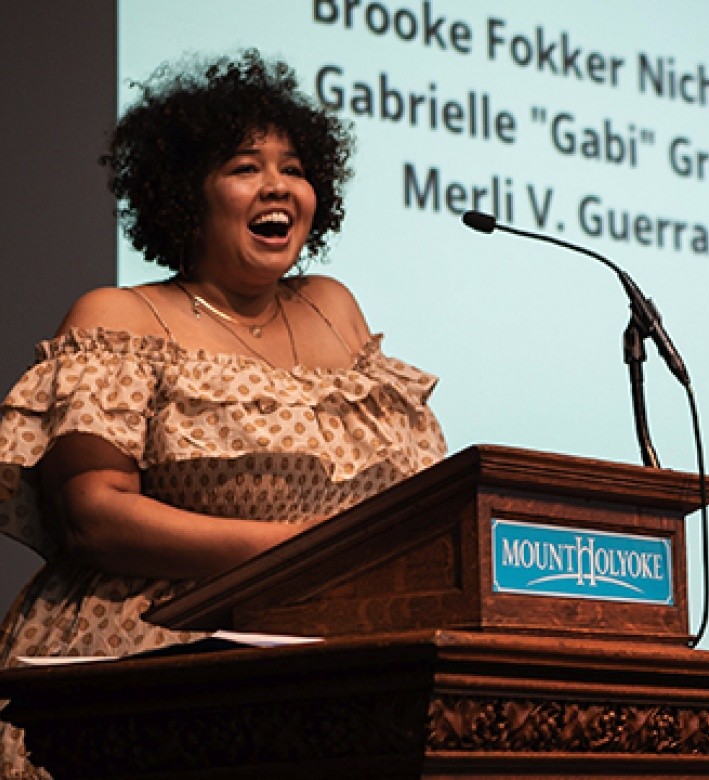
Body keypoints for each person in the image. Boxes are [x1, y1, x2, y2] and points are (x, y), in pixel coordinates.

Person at [0, 51, 446, 778]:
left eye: (293, 167)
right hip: (148, 663)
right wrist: (293, 549)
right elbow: (94, 517)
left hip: (323, 657)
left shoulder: (334, 309)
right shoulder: (120, 317)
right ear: (187, 193)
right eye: (244, 167)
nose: (278, 186)